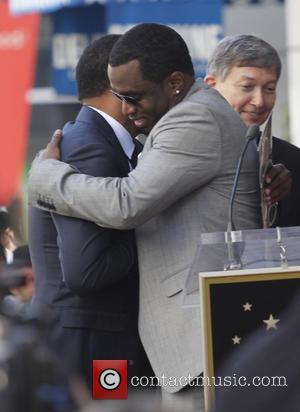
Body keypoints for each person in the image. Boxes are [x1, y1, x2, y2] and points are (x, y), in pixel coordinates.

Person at [28, 23, 261, 403]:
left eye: (134, 96)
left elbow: (127, 204)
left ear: (173, 82)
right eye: (119, 95)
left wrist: (48, 178)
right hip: (175, 341)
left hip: (199, 338)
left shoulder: (193, 118)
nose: (127, 107)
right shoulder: (171, 118)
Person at [28, 35, 152, 387]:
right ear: (116, 85)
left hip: (89, 335)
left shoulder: (96, 140)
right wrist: (152, 225)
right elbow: (87, 271)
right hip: (94, 340)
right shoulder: (92, 147)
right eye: (141, 87)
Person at [204, 34, 300, 227]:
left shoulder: (292, 161)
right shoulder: (183, 150)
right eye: (247, 87)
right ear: (212, 86)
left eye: (269, 88)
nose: (259, 101)